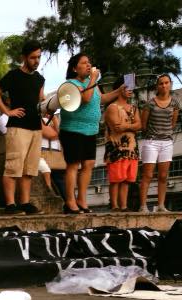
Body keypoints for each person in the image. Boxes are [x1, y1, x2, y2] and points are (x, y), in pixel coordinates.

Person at [58, 53, 125, 214]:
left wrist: (118, 91)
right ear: (75, 68)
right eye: (84, 63)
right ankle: (70, 201)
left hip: (90, 130)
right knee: (73, 165)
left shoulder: (91, 83)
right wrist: (94, 79)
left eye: (90, 62)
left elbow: (100, 98)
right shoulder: (71, 84)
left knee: (88, 165)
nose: (89, 65)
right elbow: (86, 98)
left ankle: (82, 199)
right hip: (72, 129)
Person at [0, 41, 45, 215]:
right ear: (24, 58)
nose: (36, 61)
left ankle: (25, 202)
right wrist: (7, 111)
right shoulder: (14, 75)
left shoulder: (39, 79)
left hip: (36, 127)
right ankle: (10, 204)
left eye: (39, 57)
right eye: (33, 57)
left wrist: (50, 105)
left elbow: (41, 100)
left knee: (30, 168)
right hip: (18, 127)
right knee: (13, 166)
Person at [138, 74, 180, 213]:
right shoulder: (150, 103)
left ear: (170, 84)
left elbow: (173, 123)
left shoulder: (175, 103)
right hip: (151, 142)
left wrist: (164, 132)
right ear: (157, 86)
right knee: (148, 175)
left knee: (163, 176)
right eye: (161, 83)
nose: (164, 85)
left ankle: (161, 206)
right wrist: (153, 134)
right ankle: (143, 206)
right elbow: (143, 124)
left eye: (166, 83)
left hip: (167, 142)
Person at [103, 77, 140, 212]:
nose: (130, 90)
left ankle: (124, 206)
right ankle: (114, 205)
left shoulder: (134, 108)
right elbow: (117, 127)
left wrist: (126, 125)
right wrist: (131, 126)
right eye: (126, 87)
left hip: (131, 147)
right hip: (116, 147)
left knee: (126, 180)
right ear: (119, 89)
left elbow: (139, 125)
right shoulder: (112, 107)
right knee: (115, 178)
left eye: (131, 88)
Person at [39, 114, 66, 201]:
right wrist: (55, 122)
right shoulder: (41, 120)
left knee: (60, 180)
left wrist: (54, 120)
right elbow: (52, 135)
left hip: (55, 153)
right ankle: (67, 202)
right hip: (45, 152)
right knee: (59, 180)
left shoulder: (53, 121)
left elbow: (60, 135)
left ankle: (68, 202)